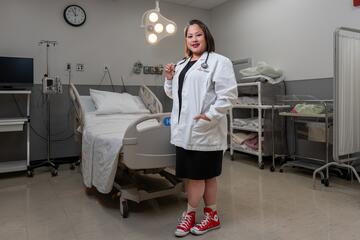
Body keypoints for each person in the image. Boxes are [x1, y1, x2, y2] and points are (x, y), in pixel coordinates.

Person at [164, 19, 238, 237]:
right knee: (205, 177)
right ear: (185, 40)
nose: (194, 39)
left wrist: (210, 116)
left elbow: (229, 95)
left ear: (206, 37)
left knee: (199, 176)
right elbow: (174, 96)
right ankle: (212, 216)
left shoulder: (219, 62)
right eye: (189, 36)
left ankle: (189, 215)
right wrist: (169, 79)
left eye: (198, 35)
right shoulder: (180, 65)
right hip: (184, 131)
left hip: (206, 129)